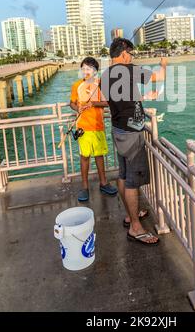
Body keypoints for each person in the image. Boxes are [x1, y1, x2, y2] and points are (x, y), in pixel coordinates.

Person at [101, 38, 167, 246]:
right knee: (132, 180)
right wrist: (164, 63)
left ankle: (132, 215)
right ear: (123, 54)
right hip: (131, 134)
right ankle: (136, 228)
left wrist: (142, 98)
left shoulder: (104, 76)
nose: (132, 57)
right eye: (130, 54)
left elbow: (124, 99)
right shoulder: (128, 70)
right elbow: (159, 76)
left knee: (122, 174)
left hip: (118, 129)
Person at [70, 57, 118, 202]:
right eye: (84, 68)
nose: (86, 71)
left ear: (95, 71)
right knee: (84, 157)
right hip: (83, 127)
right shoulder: (77, 85)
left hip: (98, 126)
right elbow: (71, 103)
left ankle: (103, 183)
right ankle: (84, 187)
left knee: (99, 156)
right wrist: (78, 107)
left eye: (89, 68)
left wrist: (93, 103)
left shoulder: (101, 85)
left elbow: (108, 102)